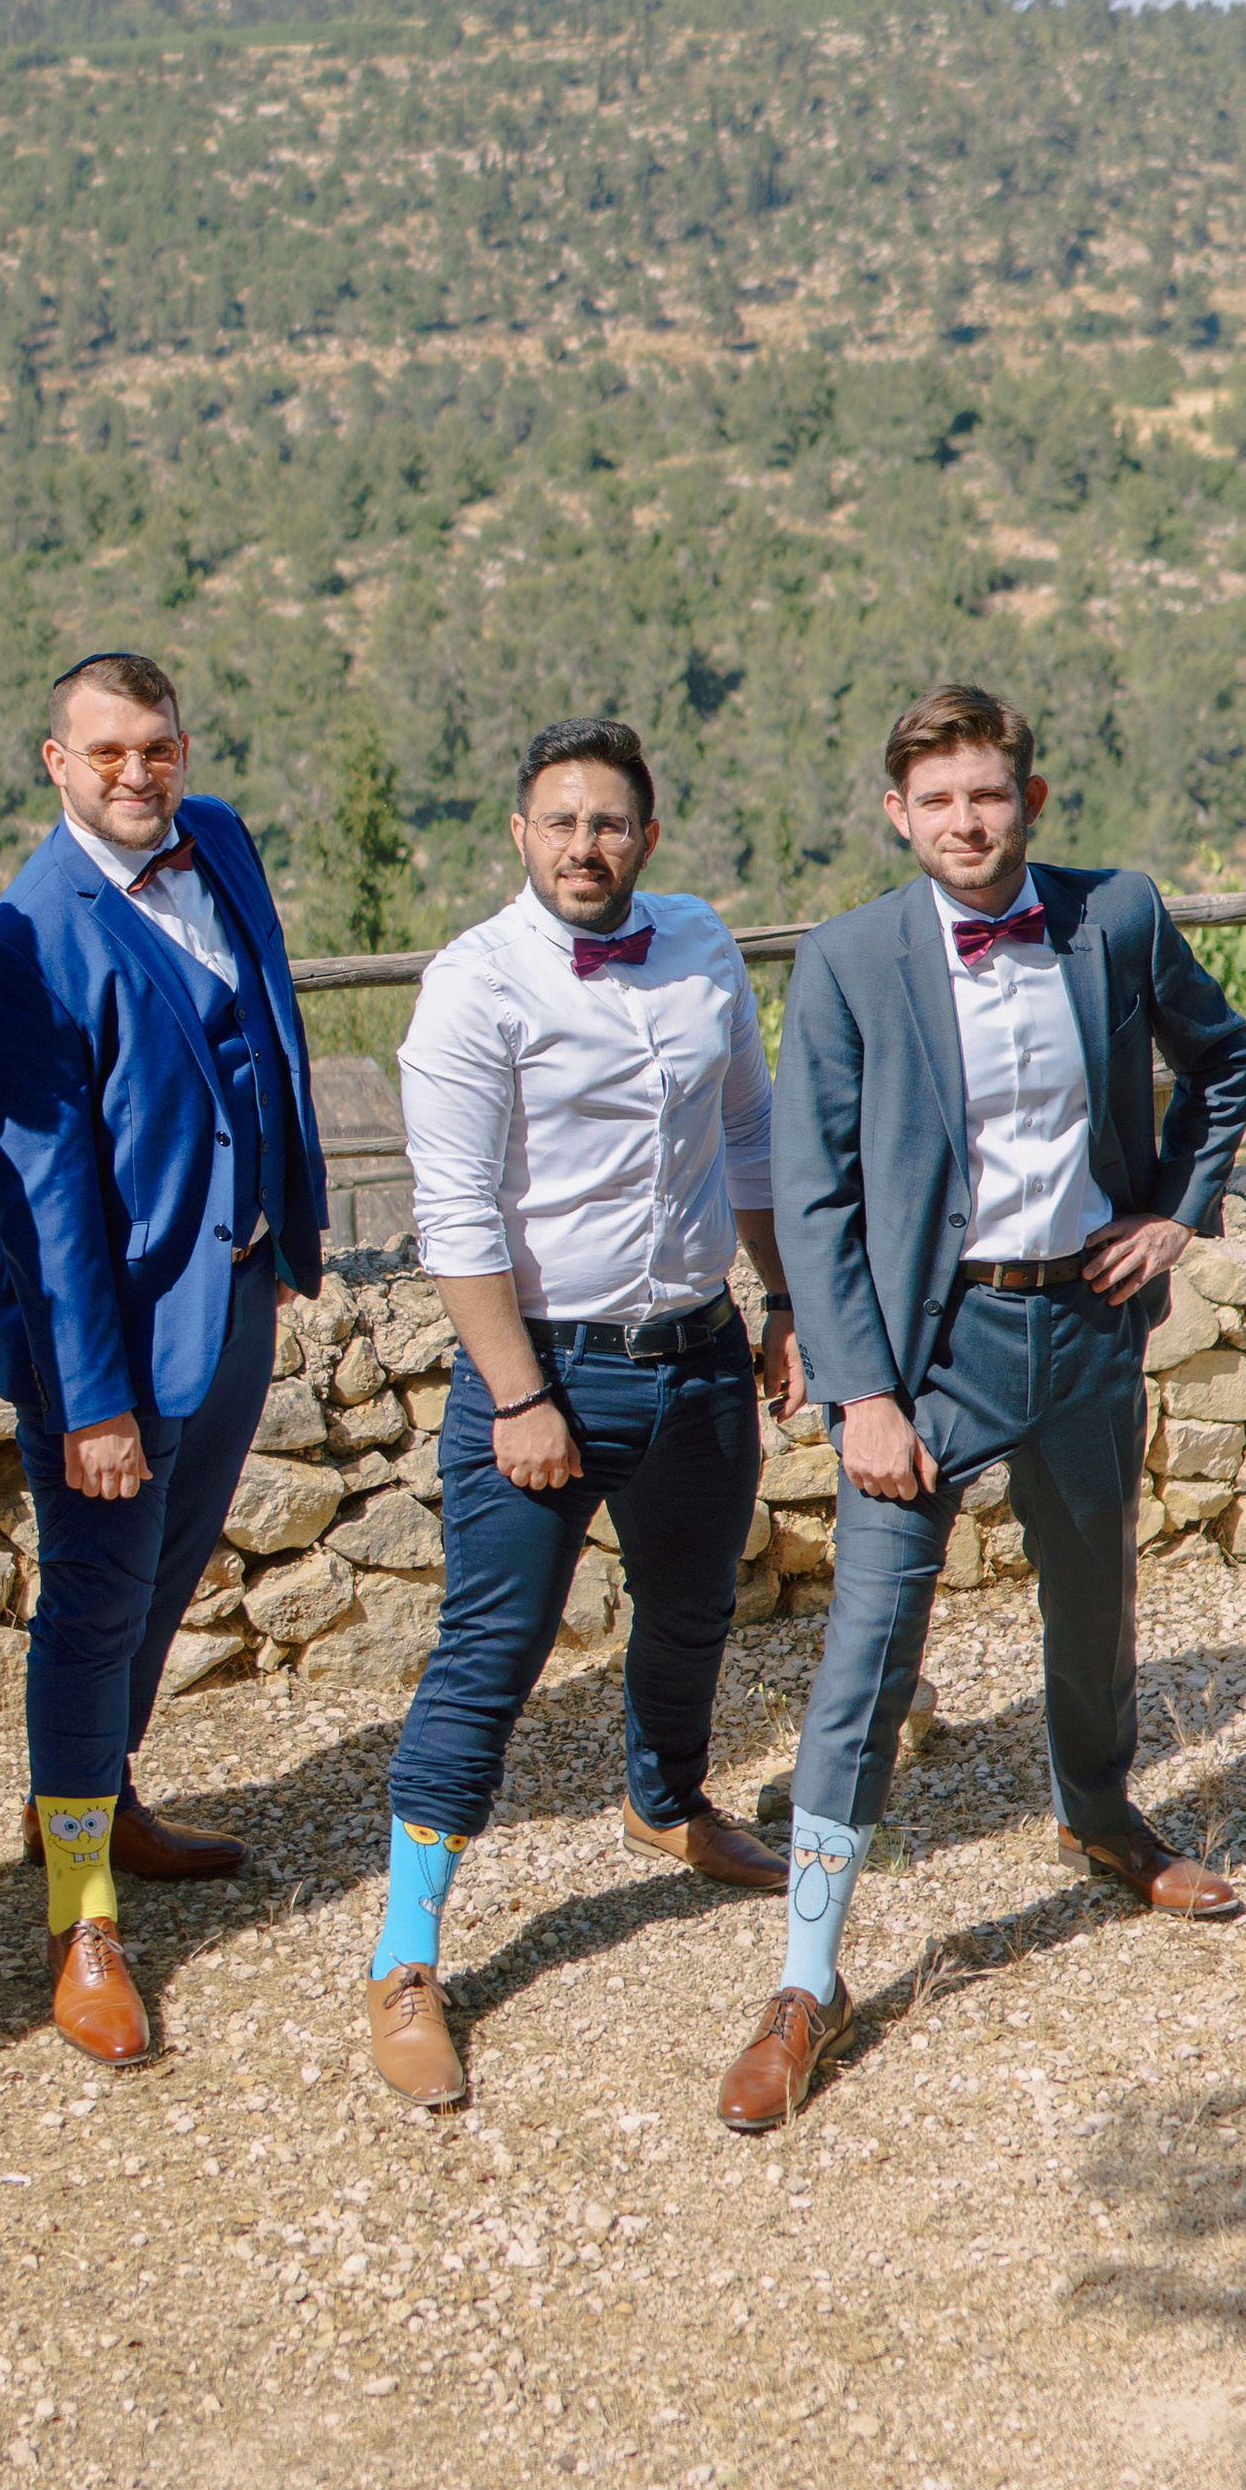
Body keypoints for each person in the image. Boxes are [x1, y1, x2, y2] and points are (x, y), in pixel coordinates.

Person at [720, 681, 1246, 2133]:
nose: (968, 821)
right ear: (900, 816)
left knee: (1093, 1607)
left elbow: (1223, 1062)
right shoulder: (844, 961)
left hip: (1083, 1321)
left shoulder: (1118, 916)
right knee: (867, 1652)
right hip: (924, 1345)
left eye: (990, 794)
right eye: (938, 800)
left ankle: (1100, 1815)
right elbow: (819, 1197)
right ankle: (808, 1977)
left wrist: (1176, 1219)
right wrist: (862, 1392)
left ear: (1030, 799)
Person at [363, 717, 795, 2110]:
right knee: (492, 1650)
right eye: (560, 822)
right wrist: (518, 1394)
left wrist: (784, 1303)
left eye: (608, 823)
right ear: (521, 834)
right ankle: (407, 1953)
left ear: (646, 838)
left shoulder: (700, 943)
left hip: (700, 1351)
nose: (584, 846)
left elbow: (748, 1132)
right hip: (545, 1366)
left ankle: (666, 1804)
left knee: (692, 1608)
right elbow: (456, 1215)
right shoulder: (473, 987)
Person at [0, 650, 328, 2067]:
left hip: (233, 1296)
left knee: (168, 1576)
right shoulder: (21, 943)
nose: (136, 775)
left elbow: (269, 1041)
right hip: (106, 1343)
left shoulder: (220, 839)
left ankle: (103, 1800)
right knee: (93, 1611)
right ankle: (80, 1915)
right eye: (104, 753)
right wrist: (91, 1399)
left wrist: (278, 1241)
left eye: (156, 748)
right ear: (55, 762)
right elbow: (45, 1206)